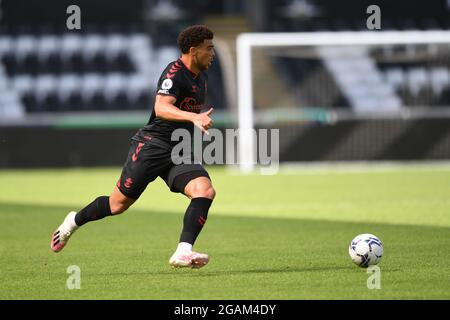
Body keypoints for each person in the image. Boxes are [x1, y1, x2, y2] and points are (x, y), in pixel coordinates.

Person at [50, 25, 216, 269]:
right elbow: (161, 107)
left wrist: (194, 119)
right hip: (152, 146)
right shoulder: (174, 73)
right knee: (117, 205)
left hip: (178, 150)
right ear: (193, 50)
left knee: (205, 191)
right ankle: (72, 221)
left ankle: (183, 251)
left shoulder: (201, 76)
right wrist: (194, 117)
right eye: (209, 48)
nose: (213, 53)